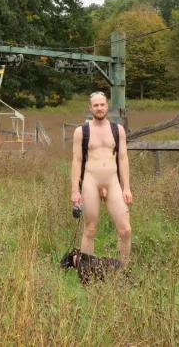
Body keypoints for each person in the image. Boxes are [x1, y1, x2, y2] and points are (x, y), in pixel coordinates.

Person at [71, 91, 132, 266]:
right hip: (91, 181)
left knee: (125, 229)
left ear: (107, 106)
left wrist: (126, 187)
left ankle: (123, 270)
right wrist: (75, 190)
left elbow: (122, 158)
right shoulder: (81, 131)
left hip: (113, 182)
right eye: (95, 105)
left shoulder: (117, 130)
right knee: (90, 228)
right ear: (90, 108)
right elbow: (76, 161)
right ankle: (85, 272)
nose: (99, 108)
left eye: (102, 105)